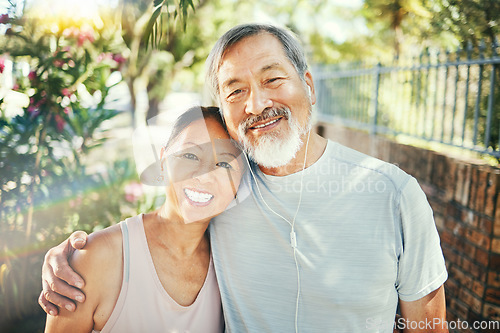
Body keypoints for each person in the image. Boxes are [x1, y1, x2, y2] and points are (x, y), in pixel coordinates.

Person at [40, 24, 449, 332]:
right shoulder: (227, 185)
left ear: (307, 85)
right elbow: (165, 222)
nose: (257, 103)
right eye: (235, 91)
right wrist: (75, 256)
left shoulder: (394, 195)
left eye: (273, 79)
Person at [44, 106, 245, 332]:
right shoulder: (98, 258)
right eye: (190, 155)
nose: (204, 175)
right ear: (162, 162)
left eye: (225, 163)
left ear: (240, 182)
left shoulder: (230, 266)